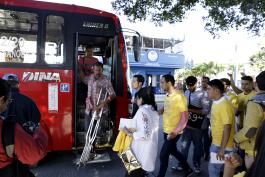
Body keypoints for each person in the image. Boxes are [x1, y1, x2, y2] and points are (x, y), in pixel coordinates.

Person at [0, 78, 48, 177]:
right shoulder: (8, 129)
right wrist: (40, 132)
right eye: (8, 102)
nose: (7, 105)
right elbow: (34, 155)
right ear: (1, 100)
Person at [157, 74, 192, 177]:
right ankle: (188, 169)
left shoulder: (179, 97)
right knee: (174, 151)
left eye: (162, 82)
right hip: (166, 130)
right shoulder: (167, 95)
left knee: (163, 155)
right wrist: (161, 110)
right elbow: (168, 105)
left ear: (169, 83)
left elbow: (185, 118)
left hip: (174, 133)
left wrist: (174, 132)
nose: (161, 85)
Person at [173, 76, 210, 174]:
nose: (190, 87)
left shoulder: (203, 94)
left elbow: (206, 111)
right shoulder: (186, 92)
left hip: (198, 127)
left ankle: (196, 164)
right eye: (188, 86)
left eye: (191, 86)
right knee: (184, 146)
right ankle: (182, 164)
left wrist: (189, 110)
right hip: (187, 125)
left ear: (196, 83)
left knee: (197, 147)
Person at [122, 87, 159, 177]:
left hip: (138, 154)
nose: (136, 100)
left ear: (141, 99)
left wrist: (128, 132)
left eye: (137, 98)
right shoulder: (153, 110)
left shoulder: (142, 111)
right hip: (145, 153)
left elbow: (145, 134)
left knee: (131, 174)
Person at [233, 71, 265, 169]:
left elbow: (250, 130)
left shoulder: (256, 101)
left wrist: (236, 139)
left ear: (255, 84)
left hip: (255, 149)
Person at [207, 79, 235, 177]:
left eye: (209, 89)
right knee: (223, 171)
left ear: (217, 90)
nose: (207, 91)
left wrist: (222, 149)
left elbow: (227, 128)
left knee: (213, 171)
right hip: (218, 143)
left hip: (221, 145)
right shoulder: (217, 101)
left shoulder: (224, 105)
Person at [85, 62, 116, 148]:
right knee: (88, 130)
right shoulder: (90, 78)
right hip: (89, 108)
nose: (97, 72)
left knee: (98, 131)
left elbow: (112, 95)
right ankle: (90, 148)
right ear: (93, 70)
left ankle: (96, 146)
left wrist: (100, 106)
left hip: (101, 110)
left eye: (99, 70)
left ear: (102, 70)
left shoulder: (106, 80)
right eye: (96, 70)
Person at [200, 76, 212, 161]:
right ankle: (201, 152)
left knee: (206, 137)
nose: (204, 83)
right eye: (202, 81)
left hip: (209, 117)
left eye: (205, 81)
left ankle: (207, 152)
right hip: (200, 116)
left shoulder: (211, 91)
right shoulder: (198, 91)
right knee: (199, 136)